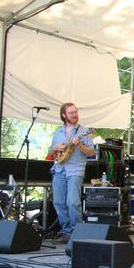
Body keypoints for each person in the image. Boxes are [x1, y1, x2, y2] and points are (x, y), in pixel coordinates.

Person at [50, 102, 95, 244]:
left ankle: (77, 232)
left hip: (75, 169)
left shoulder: (84, 131)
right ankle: (66, 231)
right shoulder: (58, 132)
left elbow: (91, 152)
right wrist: (56, 147)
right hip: (59, 169)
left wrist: (79, 145)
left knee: (72, 201)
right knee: (58, 202)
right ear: (64, 115)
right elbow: (51, 152)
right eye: (71, 113)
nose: (74, 115)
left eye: (75, 112)